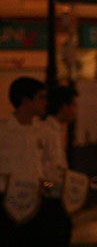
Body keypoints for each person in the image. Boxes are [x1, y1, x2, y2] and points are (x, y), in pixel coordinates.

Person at [0, 77, 47, 246]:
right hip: (6, 203)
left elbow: (42, 172)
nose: (45, 102)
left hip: (35, 201)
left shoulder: (41, 131)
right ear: (26, 101)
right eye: (41, 97)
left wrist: (47, 186)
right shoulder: (4, 131)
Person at [38, 85, 78, 246]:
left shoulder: (58, 131)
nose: (76, 110)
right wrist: (50, 186)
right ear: (63, 107)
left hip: (57, 198)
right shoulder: (46, 131)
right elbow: (43, 173)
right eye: (74, 105)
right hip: (48, 199)